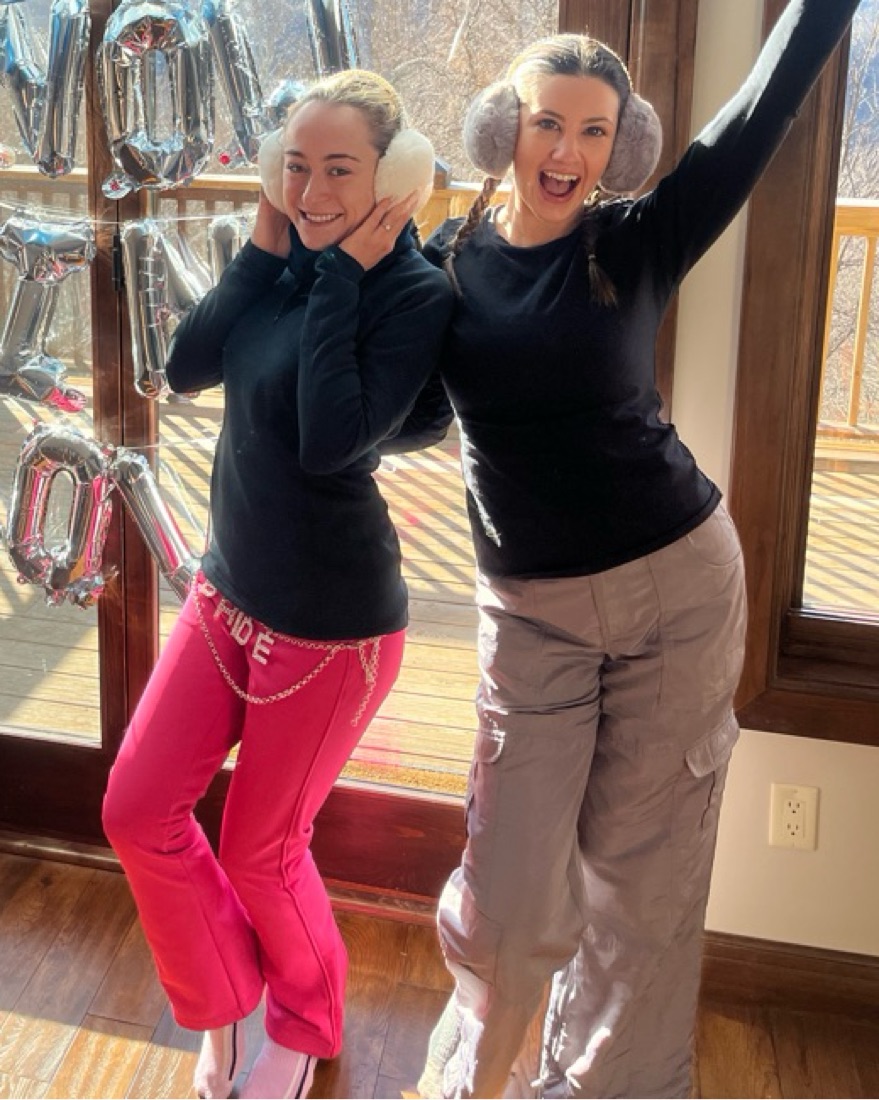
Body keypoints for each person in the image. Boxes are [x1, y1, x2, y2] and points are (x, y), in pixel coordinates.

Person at [414, 1, 861, 1097]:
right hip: (531, 616)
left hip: (679, 592)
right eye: (546, 121)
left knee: (641, 898)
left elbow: (761, 109)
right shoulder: (444, 263)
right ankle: (474, 1079)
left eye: (594, 131)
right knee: (508, 897)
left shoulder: (637, 238)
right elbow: (401, 419)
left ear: (621, 147)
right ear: (501, 128)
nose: (565, 150)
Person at [101, 69, 453, 1100]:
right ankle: (220, 1000)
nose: (310, 190)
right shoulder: (283, 258)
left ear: (395, 176)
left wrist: (345, 270)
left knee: (261, 852)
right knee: (137, 809)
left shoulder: (413, 294)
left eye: (339, 169)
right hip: (229, 593)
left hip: (332, 628)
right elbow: (186, 364)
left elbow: (330, 438)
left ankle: (305, 1021)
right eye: (294, 166)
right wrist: (266, 244)